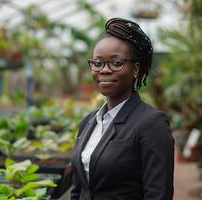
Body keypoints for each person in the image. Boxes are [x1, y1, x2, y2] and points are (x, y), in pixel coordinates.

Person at [71, 17, 174, 200]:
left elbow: (158, 195)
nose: (104, 70)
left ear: (135, 69)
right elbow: (78, 190)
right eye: (97, 63)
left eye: (116, 63)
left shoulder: (151, 124)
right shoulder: (88, 122)